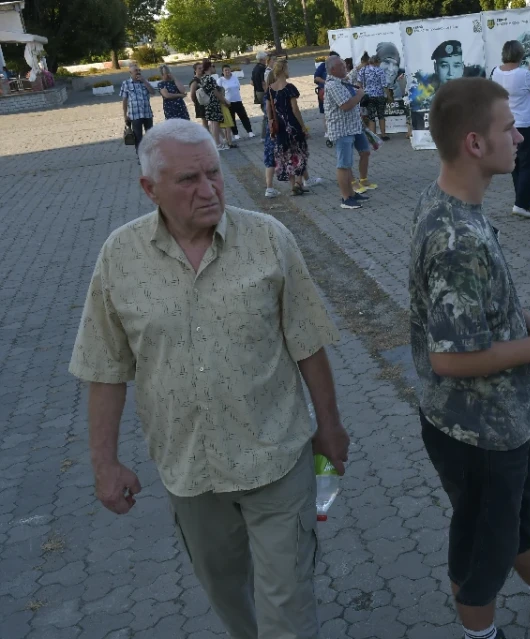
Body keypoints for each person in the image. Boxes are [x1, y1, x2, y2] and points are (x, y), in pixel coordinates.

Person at [68, 118, 349, 639]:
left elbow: (308, 342)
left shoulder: (268, 239)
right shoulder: (120, 257)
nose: (209, 190)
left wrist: (329, 426)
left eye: (213, 174)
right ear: (149, 189)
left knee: (287, 602)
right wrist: (104, 462)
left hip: (276, 456)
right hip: (189, 469)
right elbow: (104, 369)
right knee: (227, 593)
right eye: (188, 180)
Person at [409, 77, 530, 639]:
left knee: (518, 517)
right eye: (507, 127)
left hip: (499, 423)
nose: (519, 136)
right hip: (476, 433)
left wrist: (524, 322)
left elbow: (467, 312)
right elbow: (450, 358)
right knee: (478, 558)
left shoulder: (446, 201)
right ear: (474, 143)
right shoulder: (456, 238)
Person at [492, 40, 530, 219]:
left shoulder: (495, 72)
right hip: (526, 125)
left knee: (516, 165)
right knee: (529, 165)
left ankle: (523, 200)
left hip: (506, 125)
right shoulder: (524, 75)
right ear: (520, 54)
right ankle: (521, 204)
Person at [324, 56, 375, 209]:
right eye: (341, 65)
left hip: (354, 127)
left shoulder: (342, 80)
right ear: (333, 69)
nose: (344, 66)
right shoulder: (333, 85)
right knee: (344, 164)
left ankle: (354, 192)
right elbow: (345, 105)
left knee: (365, 151)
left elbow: (350, 75)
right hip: (342, 130)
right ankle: (346, 198)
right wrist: (359, 95)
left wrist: (362, 65)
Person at [267, 59, 315, 196]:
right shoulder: (290, 88)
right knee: (300, 153)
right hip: (292, 126)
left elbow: (268, 109)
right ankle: (299, 183)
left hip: (280, 128)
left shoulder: (270, 90)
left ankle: (293, 185)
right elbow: (295, 109)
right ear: (283, 70)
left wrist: (271, 123)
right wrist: (303, 126)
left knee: (287, 156)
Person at [119, 62, 155, 154]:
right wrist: (125, 115)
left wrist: (145, 81)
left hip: (147, 113)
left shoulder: (145, 81)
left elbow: (153, 92)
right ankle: (141, 156)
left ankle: (151, 155)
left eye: (139, 70)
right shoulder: (126, 83)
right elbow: (124, 100)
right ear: (130, 73)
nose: (138, 72)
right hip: (135, 115)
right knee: (138, 137)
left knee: (150, 135)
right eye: (136, 70)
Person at [198, 59, 233, 151]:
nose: (214, 68)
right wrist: (225, 100)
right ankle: (218, 144)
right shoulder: (210, 78)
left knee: (213, 123)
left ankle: (216, 143)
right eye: (213, 66)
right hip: (214, 103)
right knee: (215, 124)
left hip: (208, 103)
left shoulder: (203, 78)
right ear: (209, 67)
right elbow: (215, 92)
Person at [358, 55, 390, 140]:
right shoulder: (380, 71)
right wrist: (389, 96)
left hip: (368, 96)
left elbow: (359, 84)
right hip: (379, 95)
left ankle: (373, 136)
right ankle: (384, 135)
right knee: (381, 115)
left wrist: (361, 93)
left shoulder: (363, 70)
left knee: (371, 116)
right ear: (376, 62)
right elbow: (384, 85)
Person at [219, 64, 255, 139]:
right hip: (228, 102)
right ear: (223, 72)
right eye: (225, 70)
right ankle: (235, 134)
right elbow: (219, 92)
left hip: (237, 100)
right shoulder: (220, 80)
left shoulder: (234, 78)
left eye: (228, 70)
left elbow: (238, 87)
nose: (227, 71)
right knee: (232, 118)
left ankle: (250, 131)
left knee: (243, 116)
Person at [315, 52, 335, 147]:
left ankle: (335, 130)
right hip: (323, 92)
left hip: (334, 92)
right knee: (325, 112)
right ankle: (327, 131)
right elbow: (316, 78)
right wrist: (326, 82)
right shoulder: (323, 66)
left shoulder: (338, 66)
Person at [188, 62, 208, 130]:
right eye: (199, 68)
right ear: (195, 70)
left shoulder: (204, 78)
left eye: (202, 68)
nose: (201, 69)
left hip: (208, 102)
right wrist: (197, 102)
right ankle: (207, 136)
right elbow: (192, 95)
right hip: (201, 103)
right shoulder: (195, 81)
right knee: (205, 122)